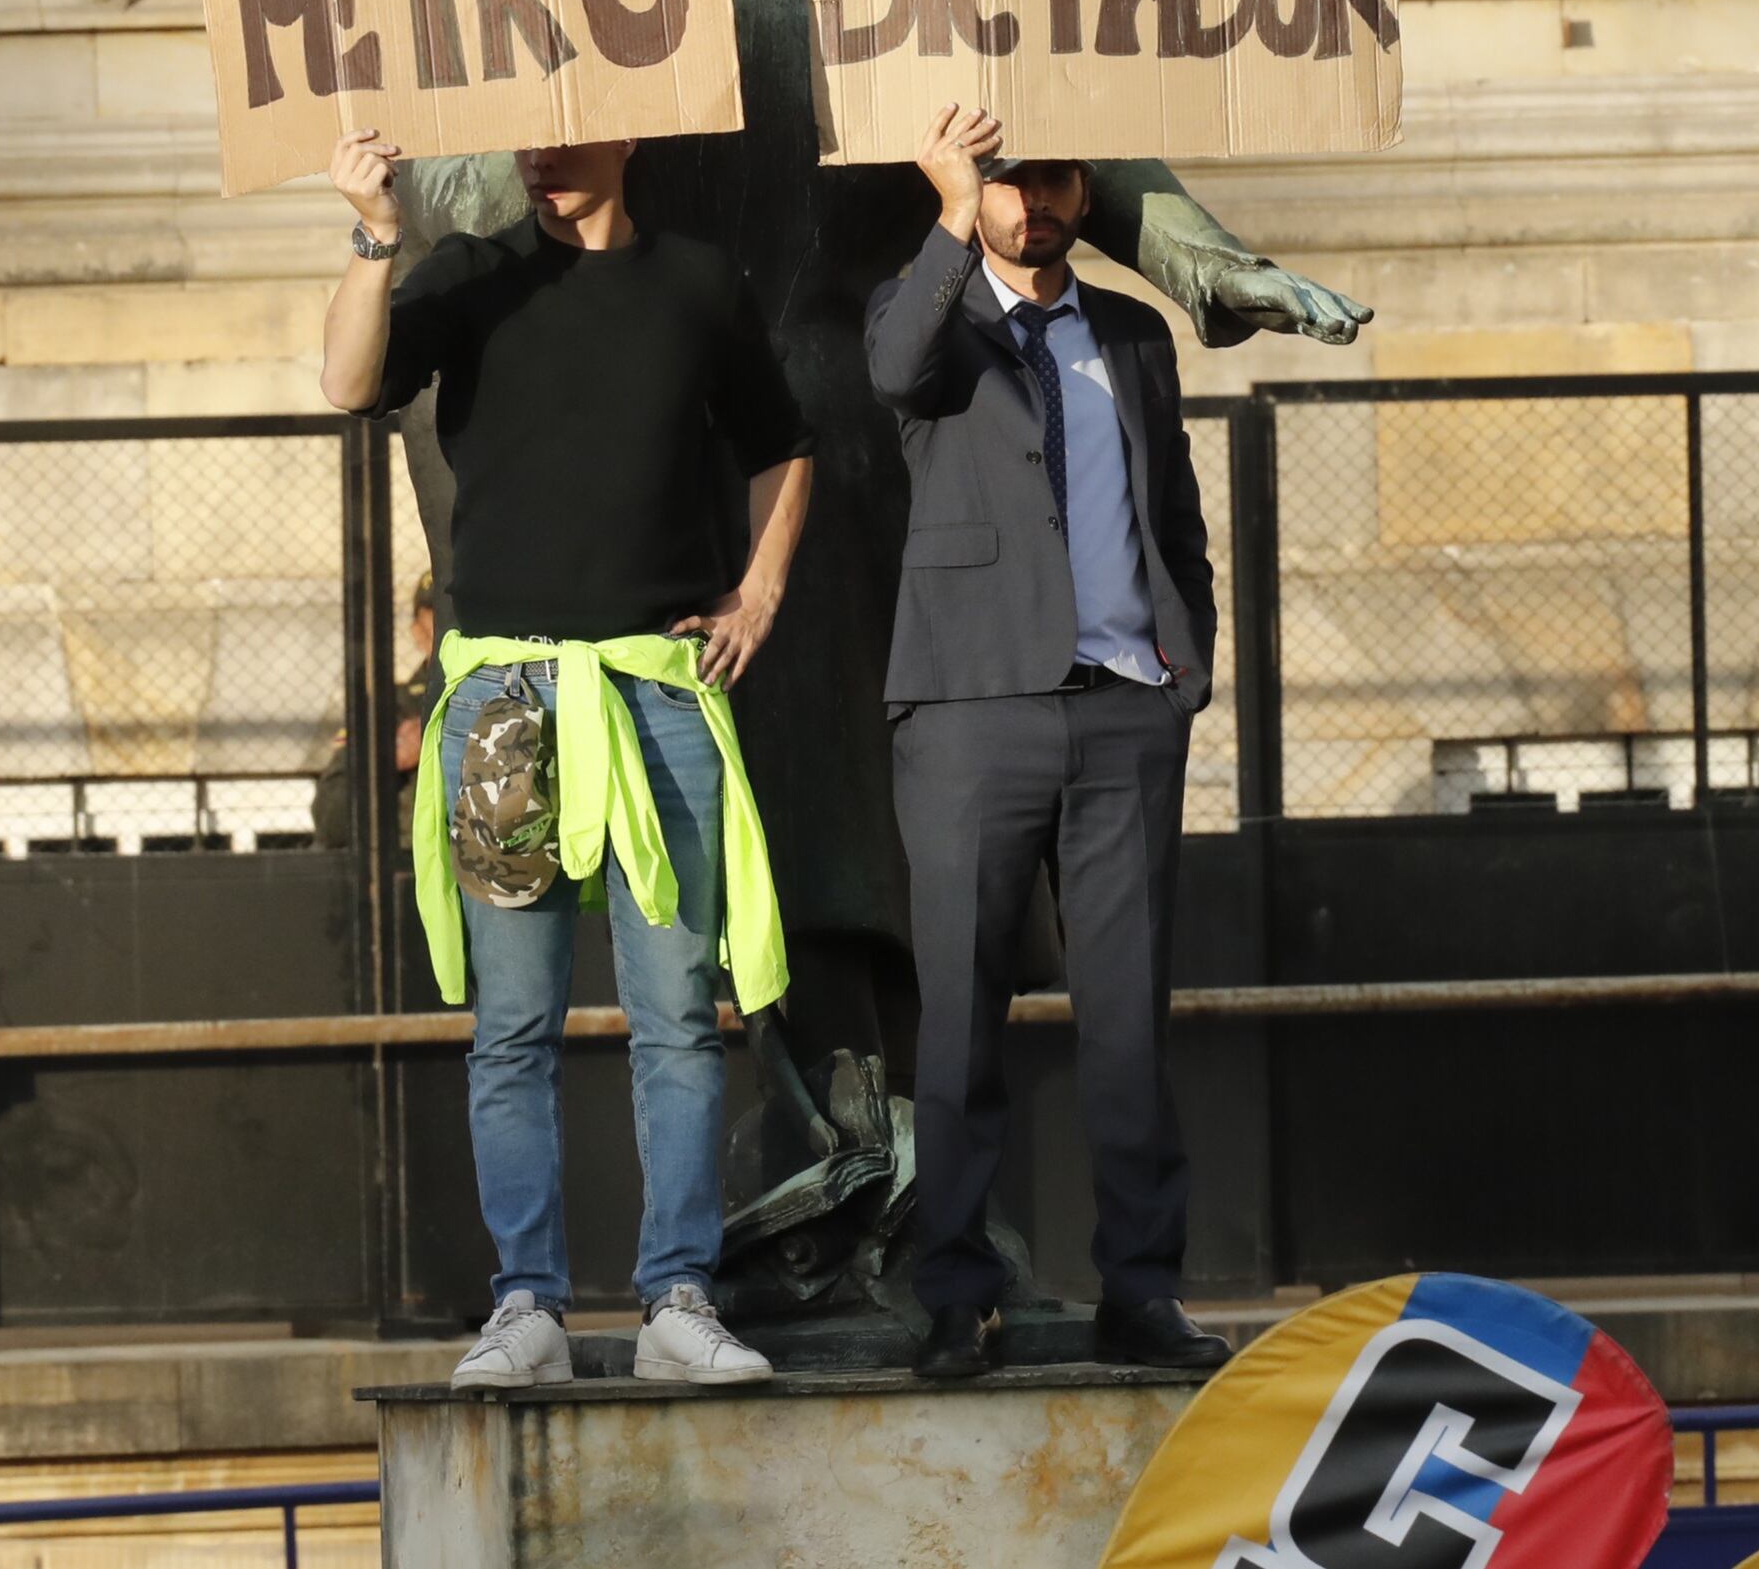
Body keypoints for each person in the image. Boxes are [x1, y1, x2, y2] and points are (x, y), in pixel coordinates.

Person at [321, 126, 816, 1391]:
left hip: (654, 691)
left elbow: (783, 442)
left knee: (676, 1022)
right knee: (511, 1028)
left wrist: (755, 596)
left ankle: (677, 1298)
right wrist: (375, 236)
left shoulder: (697, 283)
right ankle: (524, 1305)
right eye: (526, 133)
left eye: (567, 130)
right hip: (505, 704)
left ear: (630, 125)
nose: (541, 155)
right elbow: (344, 381)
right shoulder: (467, 274)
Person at [864, 105, 1227, 1381]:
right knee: (962, 1021)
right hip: (973, 712)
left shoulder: (1128, 331)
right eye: (1011, 184)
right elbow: (893, 372)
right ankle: (955, 1296)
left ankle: (1142, 1290)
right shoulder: (931, 310)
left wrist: (1185, 670)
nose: (1036, 202)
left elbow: (1170, 506)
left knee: (1126, 1024)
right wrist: (949, 210)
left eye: (1055, 179)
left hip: (1125, 710)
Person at [310, 572, 439, 850]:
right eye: (437, 612)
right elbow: (331, 820)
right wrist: (388, 758)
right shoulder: (389, 707)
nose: (450, 624)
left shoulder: (507, 691)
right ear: (417, 630)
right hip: (409, 869)